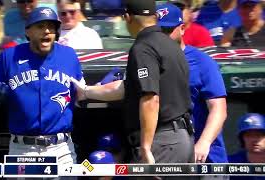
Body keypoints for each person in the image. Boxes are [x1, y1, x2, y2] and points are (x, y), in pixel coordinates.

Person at [71, 0, 194, 167]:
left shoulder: (143, 47)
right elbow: (128, 88)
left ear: (127, 17)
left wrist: (146, 146)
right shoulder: (171, 45)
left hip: (161, 141)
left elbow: (150, 98)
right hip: (181, 139)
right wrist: (86, 92)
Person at [0, 7, 83, 168]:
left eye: (51, 26)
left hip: (61, 148)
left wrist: (100, 88)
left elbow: (81, 96)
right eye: (40, 26)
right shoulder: (9, 56)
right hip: (22, 148)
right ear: (28, 31)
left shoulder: (69, 56)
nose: (47, 31)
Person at [157, 3, 228, 179]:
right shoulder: (149, 61)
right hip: (170, 157)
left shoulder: (202, 62)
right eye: (159, 31)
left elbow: (219, 109)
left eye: (168, 29)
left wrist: (204, 142)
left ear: (181, 29)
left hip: (206, 159)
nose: (163, 35)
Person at [228, 113, 265, 180]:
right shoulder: (230, 163)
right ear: (242, 139)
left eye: (259, 135)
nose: (254, 139)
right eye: (249, 135)